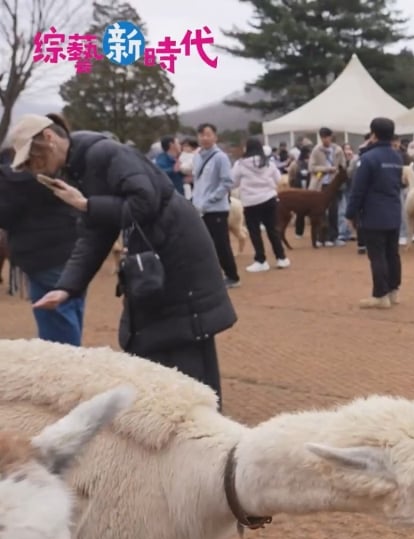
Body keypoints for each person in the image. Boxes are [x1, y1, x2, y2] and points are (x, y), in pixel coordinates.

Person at [10, 114, 237, 408]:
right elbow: (94, 231)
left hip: (178, 257)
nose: (31, 168)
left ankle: (205, 430)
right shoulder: (78, 168)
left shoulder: (105, 153)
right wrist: (67, 286)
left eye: (32, 158)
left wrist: (87, 204)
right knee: (151, 342)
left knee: (185, 343)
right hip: (153, 261)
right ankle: (172, 422)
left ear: (49, 139)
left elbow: (145, 201)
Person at [0, 117, 84, 345]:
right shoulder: (57, 166)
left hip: (43, 257)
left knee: (57, 331)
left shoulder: (15, 177)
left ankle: (64, 376)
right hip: (71, 252)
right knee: (70, 311)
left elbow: (6, 215)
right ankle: (76, 369)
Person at [345, 117, 403, 310]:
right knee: (392, 253)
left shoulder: (368, 158)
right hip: (394, 211)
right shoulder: (397, 157)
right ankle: (393, 291)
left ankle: (380, 295)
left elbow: (358, 189)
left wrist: (350, 213)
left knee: (377, 255)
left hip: (374, 214)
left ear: (373, 134)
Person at [192, 123, 240, 288]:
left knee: (221, 244)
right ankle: (212, 275)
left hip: (216, 209)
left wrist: (210, 199)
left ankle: (232, 276)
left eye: (208, 134)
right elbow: (198, 181)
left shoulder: (220, 157)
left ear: (215, 137)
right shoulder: (197, 155)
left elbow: (227, 181)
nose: (204, 138)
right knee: (205, 244)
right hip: (200, 209)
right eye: (201, 135)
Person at [232, 137, 290, 272]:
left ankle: (261, 260)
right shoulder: (268, 163)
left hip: (250, 202)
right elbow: (278, 179)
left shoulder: (240, 164)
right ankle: (281, 258)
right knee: (273, 229)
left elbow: (233, 182)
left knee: (255, 232)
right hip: (269, 199)